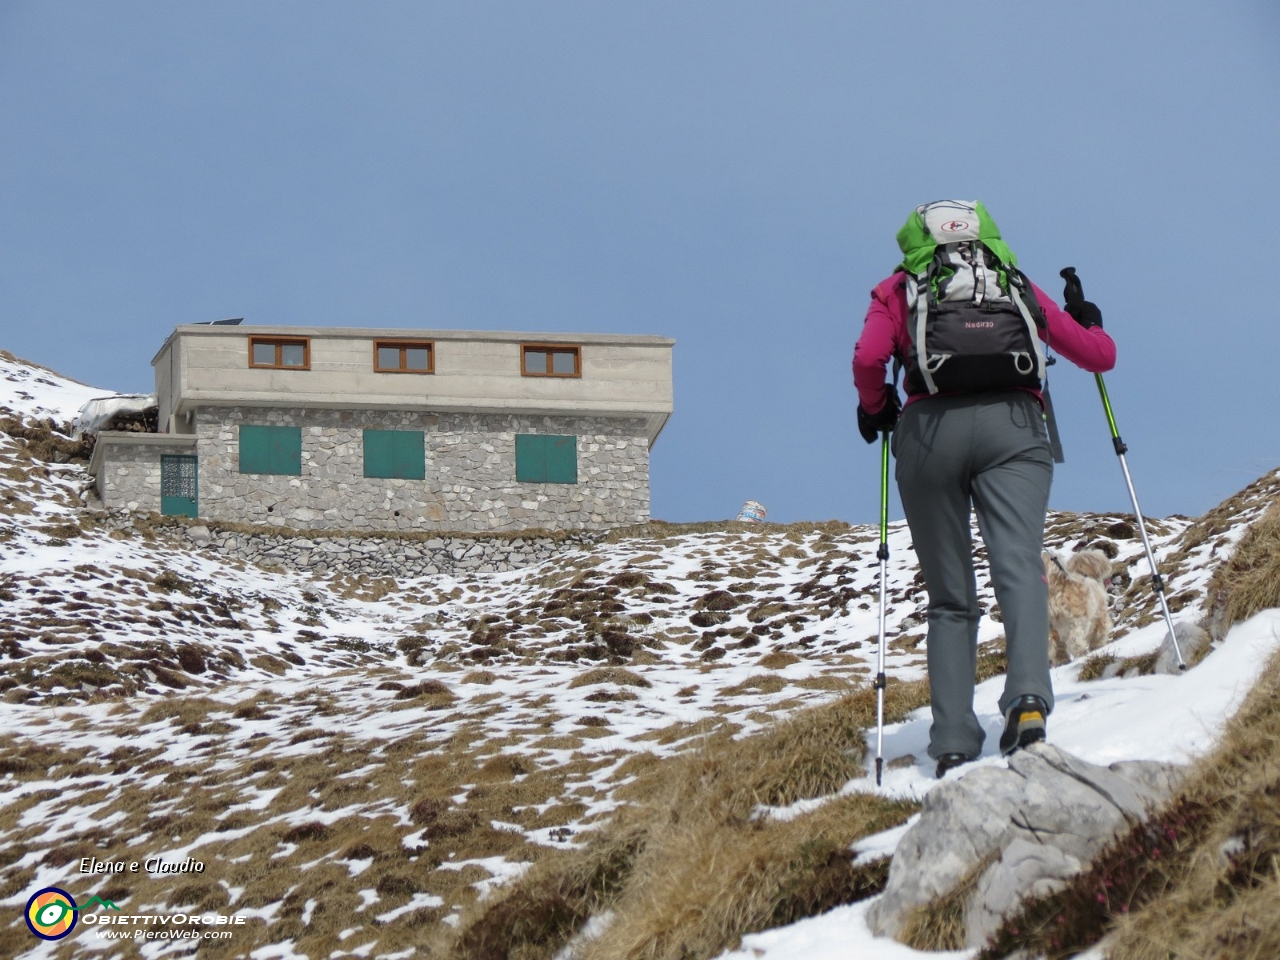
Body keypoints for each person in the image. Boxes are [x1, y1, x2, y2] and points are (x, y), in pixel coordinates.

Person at [852, 200, 1116, 779]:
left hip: (928, 436)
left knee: (951, 597)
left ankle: (950, 739)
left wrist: (876, 408)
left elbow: (871, 358)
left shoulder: (899, 288)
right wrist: (1089, 322)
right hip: (1015, 429)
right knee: (1020, 566)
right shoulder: (1011, 281)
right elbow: (1100, 357)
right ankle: (1026, 706)